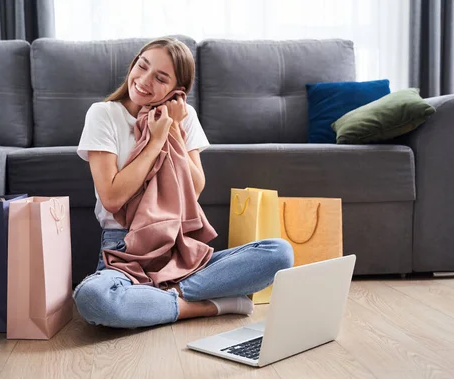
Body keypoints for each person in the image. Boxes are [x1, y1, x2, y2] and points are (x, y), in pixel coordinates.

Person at [73, 37, 294, 329]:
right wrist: (155, 140)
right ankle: (204, 306)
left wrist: (174, 128)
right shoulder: (103, 114)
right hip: (123, 251)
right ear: (134, 62)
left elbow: (195, 187)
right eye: (142, 66)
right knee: (93, 299)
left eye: (160, 78)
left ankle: (159, 298)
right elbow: (113, 198)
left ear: (177, 91)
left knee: (279, 253)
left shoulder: (183, 117)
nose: (144, 80)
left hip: (178, 251)